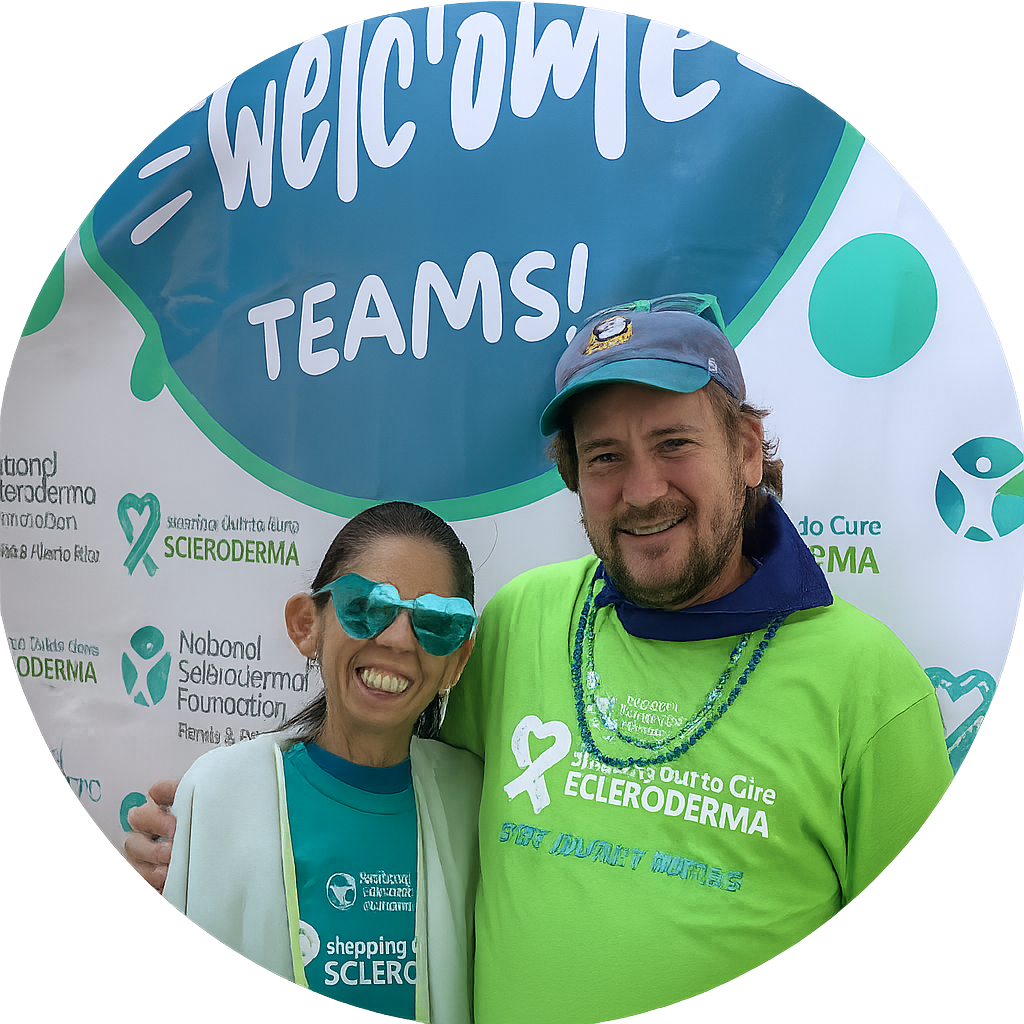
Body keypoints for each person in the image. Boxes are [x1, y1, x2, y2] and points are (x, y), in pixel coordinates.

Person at [128, 294, 953, 1023]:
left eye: (673, 443)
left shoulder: (872, 686)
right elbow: (408, 802)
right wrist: (223, 849)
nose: (641, 490)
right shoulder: (522, 620)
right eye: (605, 458)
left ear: (745, 449)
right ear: (572, 476)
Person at [157, 501, 481, 1023]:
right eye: (366, 607)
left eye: (436, 622)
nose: (398, 639)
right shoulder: (221, 792)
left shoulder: (476, 805)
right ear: (308, 625)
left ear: (456, 661)